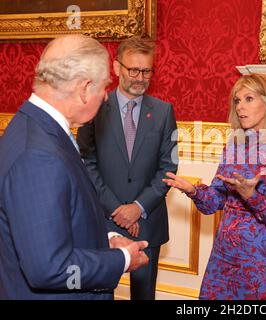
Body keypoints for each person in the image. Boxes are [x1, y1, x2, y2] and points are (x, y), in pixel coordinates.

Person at [0, 34, 149, 300]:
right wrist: (121, 260)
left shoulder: (39, 128)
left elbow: (65, 215)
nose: (105, 97)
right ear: (84, 88)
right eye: (104, 87)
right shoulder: (38, 156)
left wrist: (108, 239)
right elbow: (49, 269)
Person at [163, 73, 266, 300]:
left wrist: (251, 195)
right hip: (223, 257)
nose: (240, 107)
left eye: (249, 99)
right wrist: (194, 191)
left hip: (259, 262)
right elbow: (215, 201)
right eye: (237, 100)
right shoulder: (235, 146)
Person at [77, 36, 178, 300]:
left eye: (146, 71)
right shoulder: (95, 107)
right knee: (98, 294)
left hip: (147, 223)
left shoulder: (164, 111)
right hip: (103, 221)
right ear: (116, 67)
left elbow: (169, 166)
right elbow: (86, 163)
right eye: (133, 69)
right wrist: (117, 209)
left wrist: (137, 208)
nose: (140, 77)